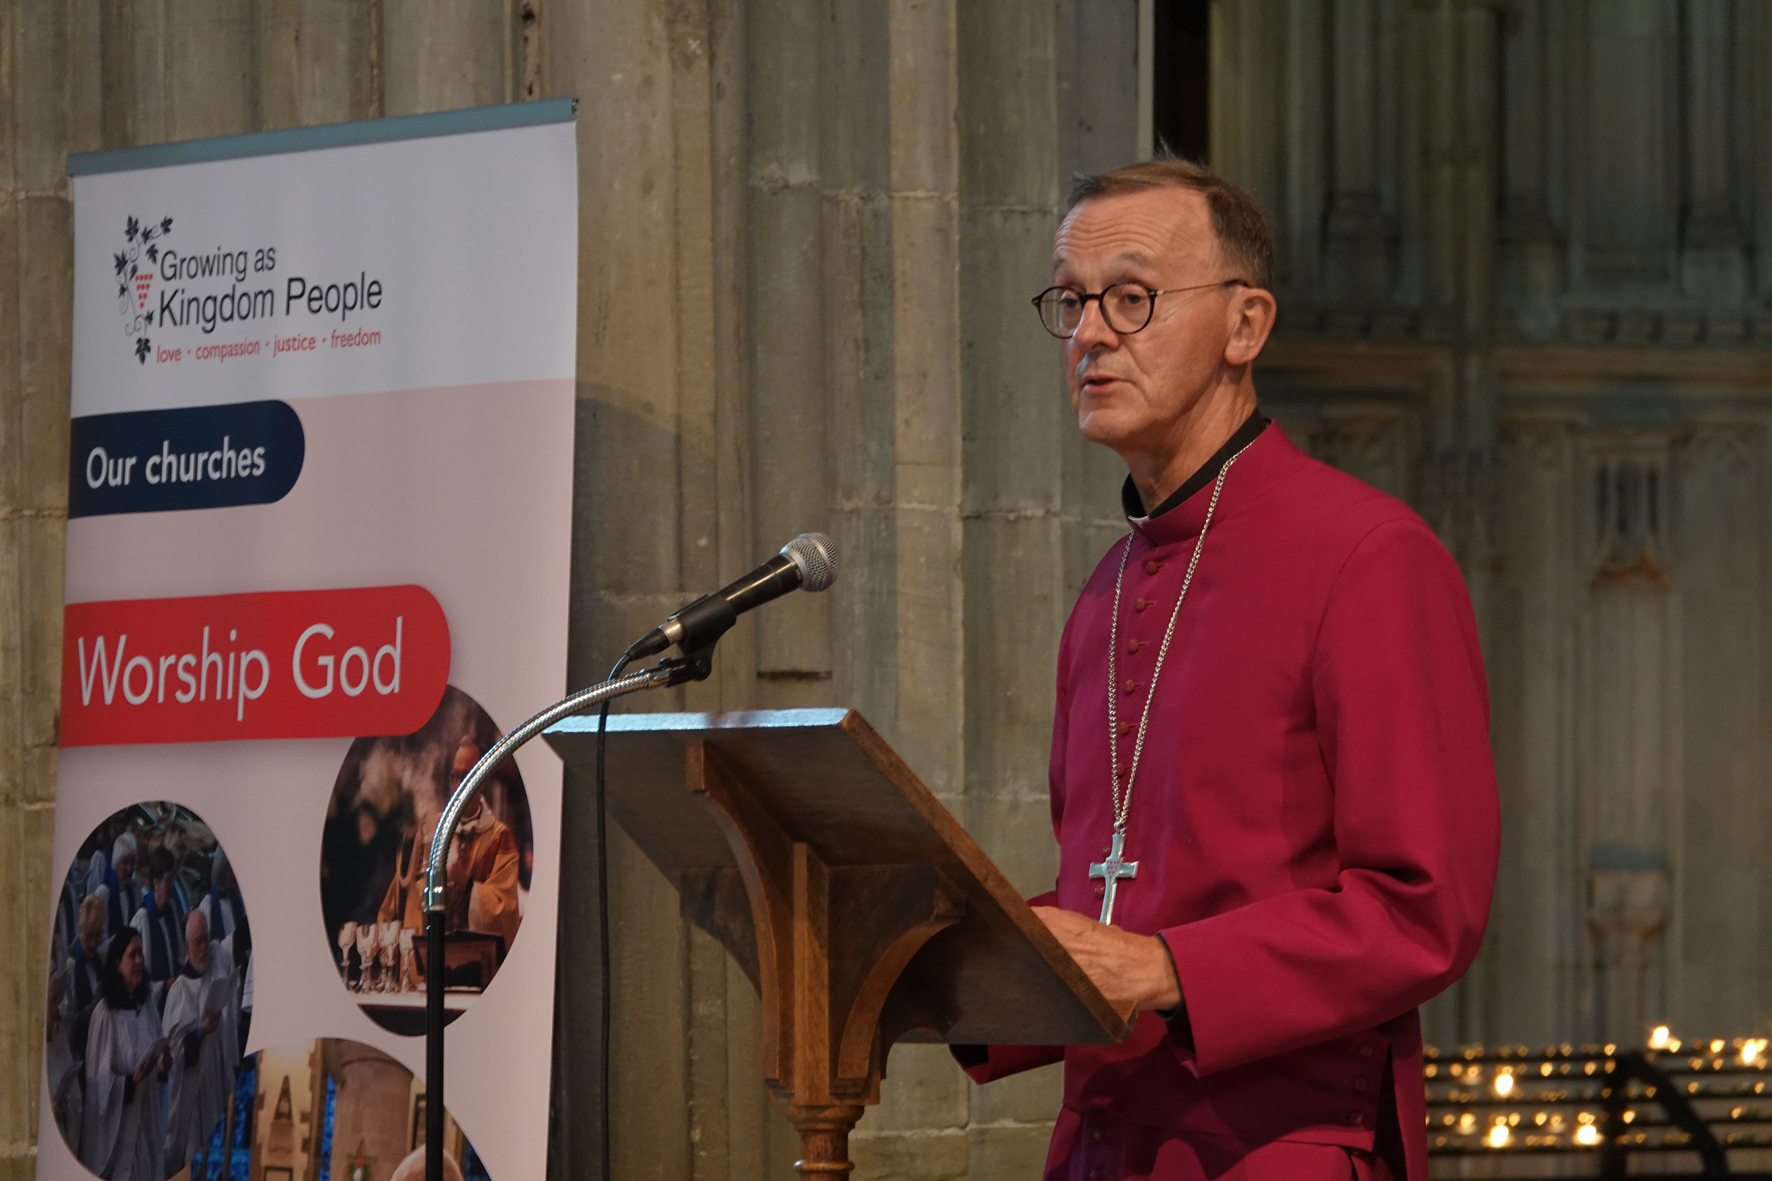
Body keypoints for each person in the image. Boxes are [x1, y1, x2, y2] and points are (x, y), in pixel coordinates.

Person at [952, 158, 1498, 1181]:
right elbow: (1104, 892)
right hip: (1096, 1147)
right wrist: (940, 957)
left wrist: (1167, 965)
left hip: (1276, 1147)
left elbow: (1423, 906)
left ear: (1245, 325)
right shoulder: (1104, 588)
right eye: (1068, 302)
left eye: (1129, 297)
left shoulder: (1367, 554)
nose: (1087, 334)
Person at [378, 737, 522, 956]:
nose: (457, 785)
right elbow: (398, 897)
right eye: (455, 776)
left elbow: (505, 911)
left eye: (466, 776)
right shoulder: (430, 831)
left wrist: (466, 885)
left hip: (473, 967)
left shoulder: (499, 838)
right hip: (422, 965)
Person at [80, 929, 171, 1181]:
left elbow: (159, 1056)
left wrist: (163, 1067)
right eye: (132, 955)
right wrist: (128, 1084)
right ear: (118, 964)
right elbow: (97, 1085)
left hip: (146, 1124)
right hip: (119, 1135)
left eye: (141, 954)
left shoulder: (148, 1006)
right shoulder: (105, 1014)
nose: (140, 961)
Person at [162, 910, 239, 1174]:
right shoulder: (179, 990)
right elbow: (171, 1053)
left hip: (212, 1087)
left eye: (205, 940)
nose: (203, 948)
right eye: (197, 942)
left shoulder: (211, 979)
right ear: (186, 947)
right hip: (189, 1097)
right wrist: (200, 1033)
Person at [130, 847, 185, 986]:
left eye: (173, 879)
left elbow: (180, 954)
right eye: (167, 880)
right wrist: (163, 986)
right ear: (155, 883)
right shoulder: (142, 919)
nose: (172, 885)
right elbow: (138, 973)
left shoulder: (171, 908)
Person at [93, 833, 141, 945]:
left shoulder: (135, 890)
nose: (129, 868)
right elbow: (98, 938)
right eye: (125, 862)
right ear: (116, 863)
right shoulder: (103, 894)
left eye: (132, 862)